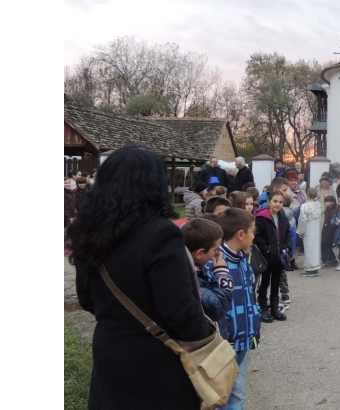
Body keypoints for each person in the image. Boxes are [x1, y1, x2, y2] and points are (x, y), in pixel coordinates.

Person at [70, 146, 213, 409]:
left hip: (110, 348)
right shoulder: (160, 234)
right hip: (157, 358)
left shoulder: (88, 232)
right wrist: (206, 336)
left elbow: (86, 298)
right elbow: (181, 311)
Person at [209, 209, 260, 409]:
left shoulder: (243, 259)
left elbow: (249, 297)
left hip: (244, 337)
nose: (254, 236)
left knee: (238, 393)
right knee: (219, 392)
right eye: (252, 231)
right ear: (241, 234)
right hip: (224, 341)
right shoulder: (216, 263)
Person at [182, 219, 233, 340]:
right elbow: (217, 306)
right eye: (215, 249)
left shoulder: (192, 267)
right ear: (199, 253)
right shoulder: (189, 276)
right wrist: (222, 272)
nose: (218, 253)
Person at [254, 191, 291, 323]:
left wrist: (287, 246)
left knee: (276, 282)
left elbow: (287, 232)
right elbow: (256, 236)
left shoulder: (282, 216)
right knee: (264, 282)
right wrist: (267, 248)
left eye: (280, 202)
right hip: (267, 256)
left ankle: (274, 308)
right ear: (269, 201)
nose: (278, 204)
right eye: (275, 201)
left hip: (279, 256)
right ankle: (264, 308)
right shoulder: (261, 217)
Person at [297, 188, 324, 277]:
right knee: (316, 248)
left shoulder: (305, 206)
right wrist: (320, 228)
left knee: (309, 248)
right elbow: (322, 218)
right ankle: (315, 268)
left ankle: (310, 269)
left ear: (307, 195)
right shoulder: (320, 205)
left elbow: (302, 220)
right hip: (317, 229)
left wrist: (301, 231)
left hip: (309, 229)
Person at [321, 196, 339, 268]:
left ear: (332, 202)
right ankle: (330, 259)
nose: (326, 203)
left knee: (326, 246)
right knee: (325, 246)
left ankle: (328, 260)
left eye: (327, 201)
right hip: (325, 231)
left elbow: (331, 223)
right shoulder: (326, 210)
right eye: (325, 201)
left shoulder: (333, 212)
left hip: (329, 231)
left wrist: (329, 231)